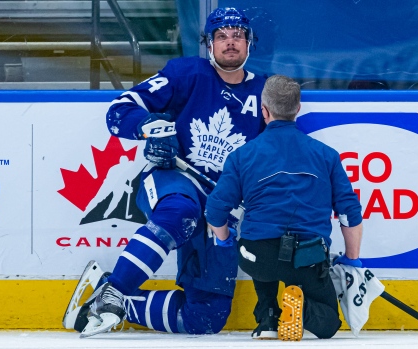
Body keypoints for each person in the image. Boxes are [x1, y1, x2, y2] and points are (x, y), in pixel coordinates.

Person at [63, 7, 266, 338]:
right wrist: (147, 127)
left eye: (238, 35)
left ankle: (110, 299)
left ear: (250, 43)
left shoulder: (266, 92)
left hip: (223, 206)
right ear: (209, 44)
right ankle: (114, 292)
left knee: (206, 319)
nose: (230, 42)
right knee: (181, 212)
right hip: (175, 180)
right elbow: (119, 110)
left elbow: (278, 152)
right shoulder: (186, 74)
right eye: (221, 36)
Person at [205, 75, 365, 341]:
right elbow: (349, 213)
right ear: (298, 109)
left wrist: (223, 241)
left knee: (257, 243)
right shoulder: (326, 155)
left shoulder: (242, 156)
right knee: (329, 322)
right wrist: (352, 258)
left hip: (256, 256)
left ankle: (267, 317)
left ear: (263, 110)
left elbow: (215, 209)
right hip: (307, 258)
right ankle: (302, 310)